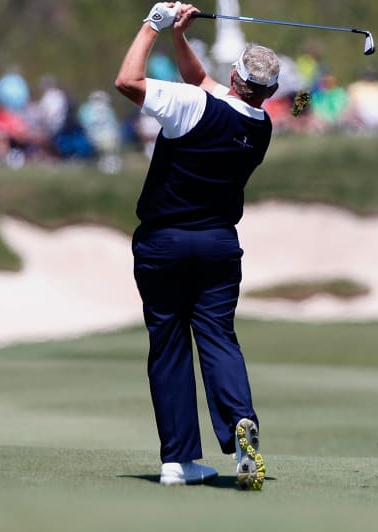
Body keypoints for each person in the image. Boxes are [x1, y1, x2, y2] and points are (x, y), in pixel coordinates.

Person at [115, 2, 274, 490]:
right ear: (267, 91)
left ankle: (179, 460)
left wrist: (153, 25)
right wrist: (181, 37)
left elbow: (127, 81)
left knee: (168, 346)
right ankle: (238, 425)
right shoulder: (259, 126)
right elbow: (205, 84)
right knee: (218, 338)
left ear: (235, 74)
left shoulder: (190, 105)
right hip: (219, 247)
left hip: (164, 244)